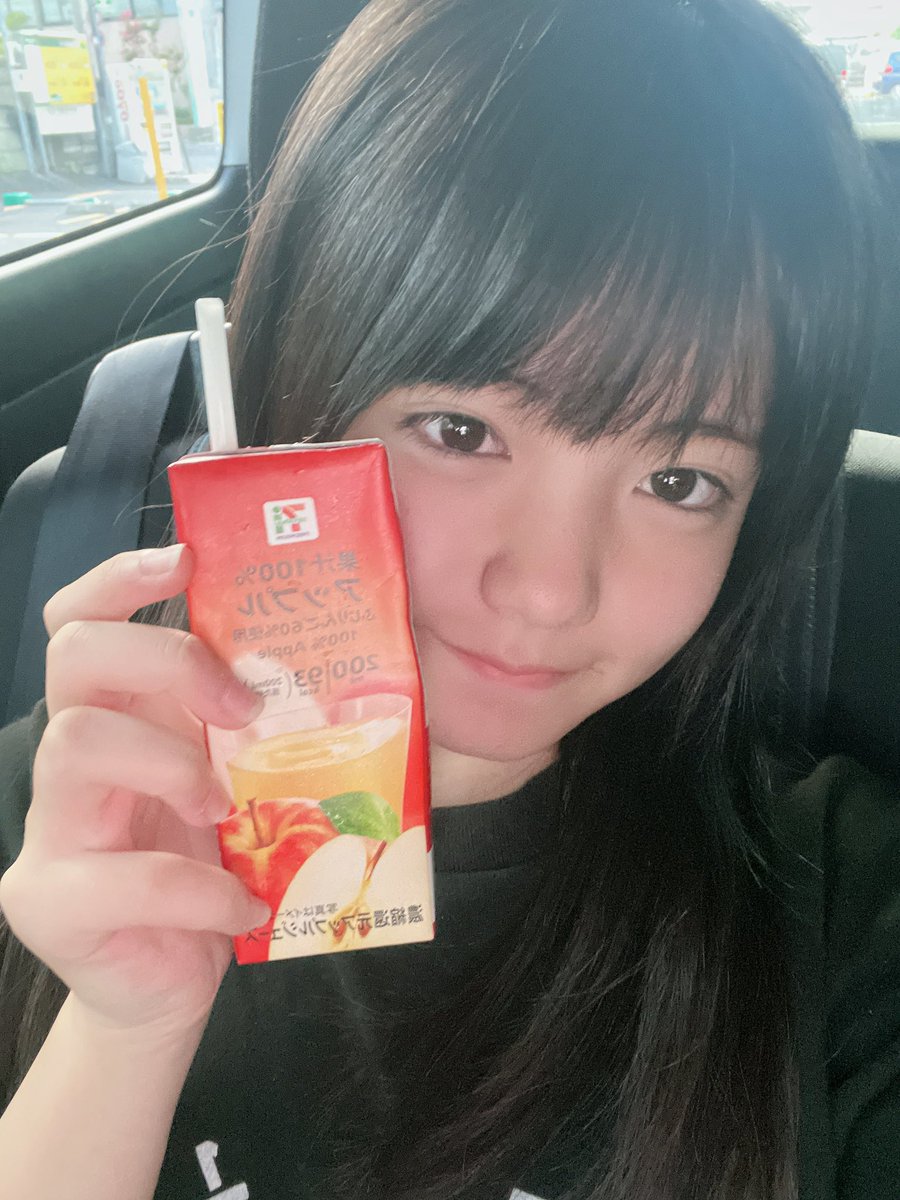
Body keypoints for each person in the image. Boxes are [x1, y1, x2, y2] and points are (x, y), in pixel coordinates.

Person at [0, 0, 897, 1198]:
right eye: (460, 430)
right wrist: (120, 1035)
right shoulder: (64, 816)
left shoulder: (836, 902)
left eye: (680, 481)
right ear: (295, 390)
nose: (548, 590)